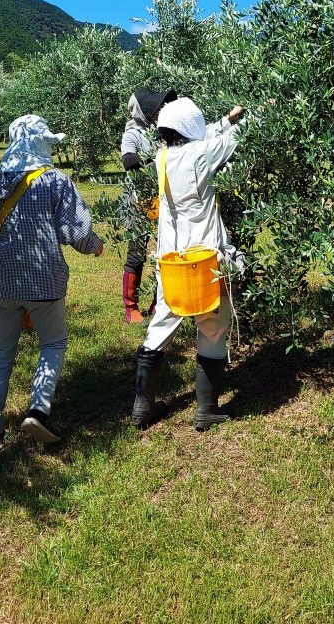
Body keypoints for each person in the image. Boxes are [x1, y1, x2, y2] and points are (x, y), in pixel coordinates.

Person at [0, 114, 104, 453]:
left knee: (0, 352)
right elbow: (74, 231)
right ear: (41, 141)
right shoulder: (56, 181)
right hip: (44, 281)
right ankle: (38, 411)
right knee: (53, 343)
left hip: (2, 282)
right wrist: (94, 244)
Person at [131, 97, 245, 432]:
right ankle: (205, 410)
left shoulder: (162, 158)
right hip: (205, 261)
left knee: (162, 322)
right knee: (212, 326)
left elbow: (207, 136)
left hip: (172, 262)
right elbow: (230, 142)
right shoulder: (201, 155)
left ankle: (142, 407)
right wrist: (262, 112)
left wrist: (225, 119)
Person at [119, 87, 177, 322]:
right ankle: (130, 307)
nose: (159, 111)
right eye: (155, 108)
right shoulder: (132, 134)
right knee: (137, 254)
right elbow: (128, 160)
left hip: (162, 199)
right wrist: (156, 157)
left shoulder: (161, 132)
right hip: (138, 202)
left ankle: (157, 302)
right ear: (143, 112)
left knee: (164, 251)